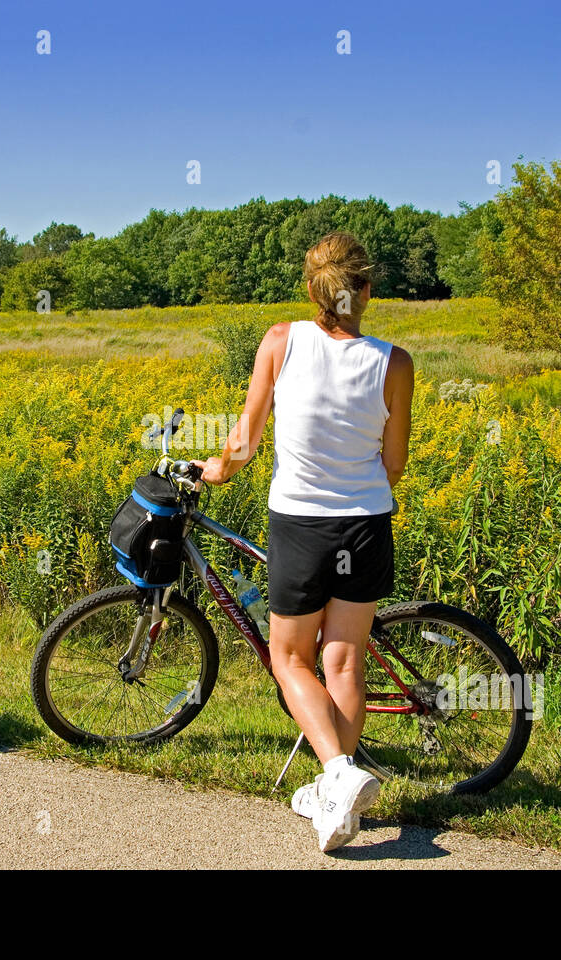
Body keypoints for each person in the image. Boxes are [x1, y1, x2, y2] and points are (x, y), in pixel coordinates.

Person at [194, 232, 414, 851]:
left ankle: (338, 775)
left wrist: (213, 470)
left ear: (310, 292)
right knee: (344, 662)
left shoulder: (280, 342)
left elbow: (241, 445)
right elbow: (393, 464)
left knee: (290, 658)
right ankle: (337, 806)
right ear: (365, 291)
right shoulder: (394, 362)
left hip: (300, 525)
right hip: (367, 524)